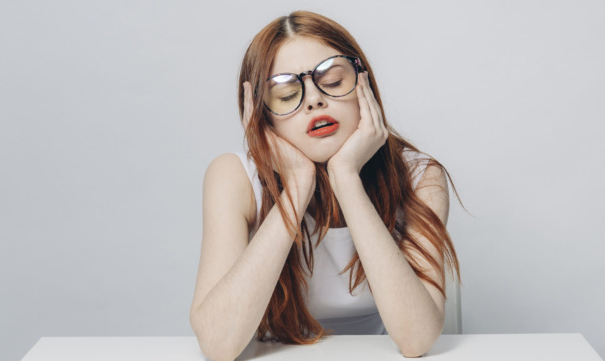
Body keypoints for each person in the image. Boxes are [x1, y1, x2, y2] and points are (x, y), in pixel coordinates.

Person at [189, 10, 462, 360]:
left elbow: (417, 340)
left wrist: (346, 178)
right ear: (262, 114)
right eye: (287, 95)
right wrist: (298, 184)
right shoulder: (233, 177)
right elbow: (217, 344)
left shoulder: (422, 177)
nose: (315, 100)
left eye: (332, 82)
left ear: (365, 84)